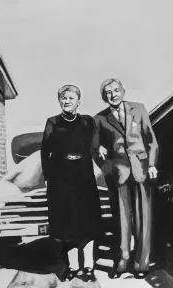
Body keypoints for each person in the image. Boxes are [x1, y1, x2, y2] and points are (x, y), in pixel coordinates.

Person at [94, 78, 159, 279]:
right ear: (105, 97)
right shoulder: (99, 119)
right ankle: (122, 262)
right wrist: (106, 164)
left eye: (116, 90)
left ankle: (141, 264)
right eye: (108, 92)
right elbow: (94, 149)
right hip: (119, 175)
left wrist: (153, 164)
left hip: (141, 170)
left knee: (143, 220)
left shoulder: (139, 109)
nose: (113, 94)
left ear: (123, 91)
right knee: (121, 221)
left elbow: (151, 141)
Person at [40, 84, 102, 282]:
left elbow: (95, 146)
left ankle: (89, 266)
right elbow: (44, 154)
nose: (66, 101)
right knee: (68, 225)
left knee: (87, 223)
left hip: (84, 180)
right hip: (62, 183)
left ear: (78, 101)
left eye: (71, 98)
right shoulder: (52, 122)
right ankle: (74, 266)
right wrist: (49, 179)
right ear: (59, 101)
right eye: (63, 98)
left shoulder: (87, 122)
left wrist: (101, 152)